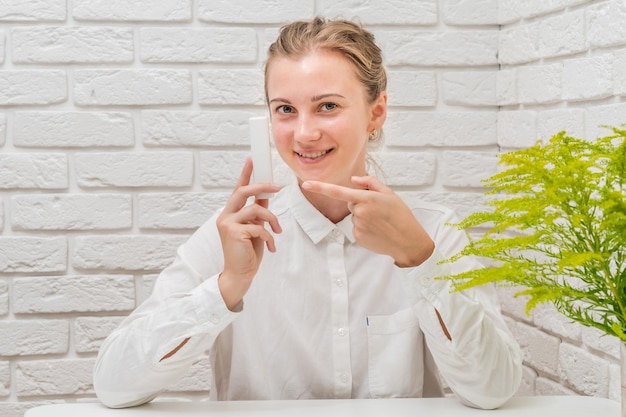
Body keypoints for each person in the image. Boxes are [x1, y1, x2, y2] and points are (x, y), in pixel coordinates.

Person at [93, 16, 522, 410]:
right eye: (285, 109)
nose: (304, 133)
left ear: (376, 112)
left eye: (328, 106)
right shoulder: (233, 236)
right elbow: (113, 386)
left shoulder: (432, 232)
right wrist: (227, 286)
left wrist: (418, 261)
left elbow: (494, 389)